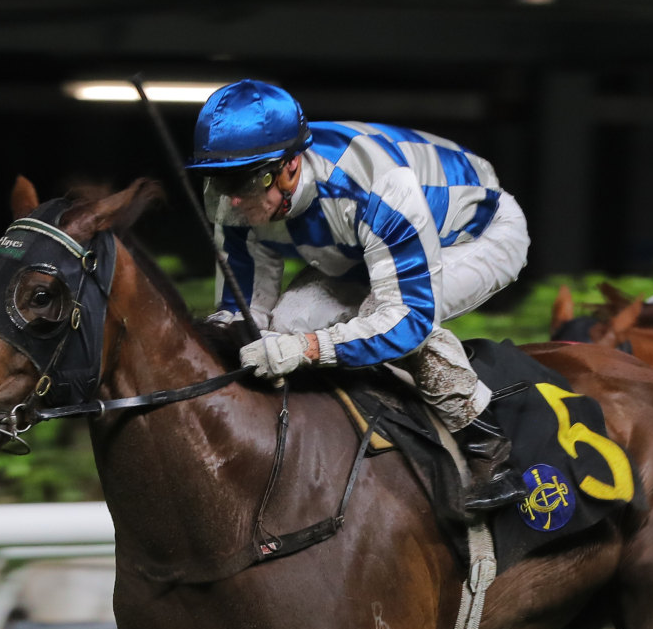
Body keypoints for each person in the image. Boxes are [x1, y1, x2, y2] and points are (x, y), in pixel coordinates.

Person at [187, 79, 528, 510]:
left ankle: (488, 448)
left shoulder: (379, 186)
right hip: (363, 251)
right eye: (220, 181)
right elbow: (243, 309)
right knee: (285, 325)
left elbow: (406, 320)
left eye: (248, 182)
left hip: (475, 235)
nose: (234, 201)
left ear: (292, 165)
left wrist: (308, 348)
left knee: (372, 320)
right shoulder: (236, 195)